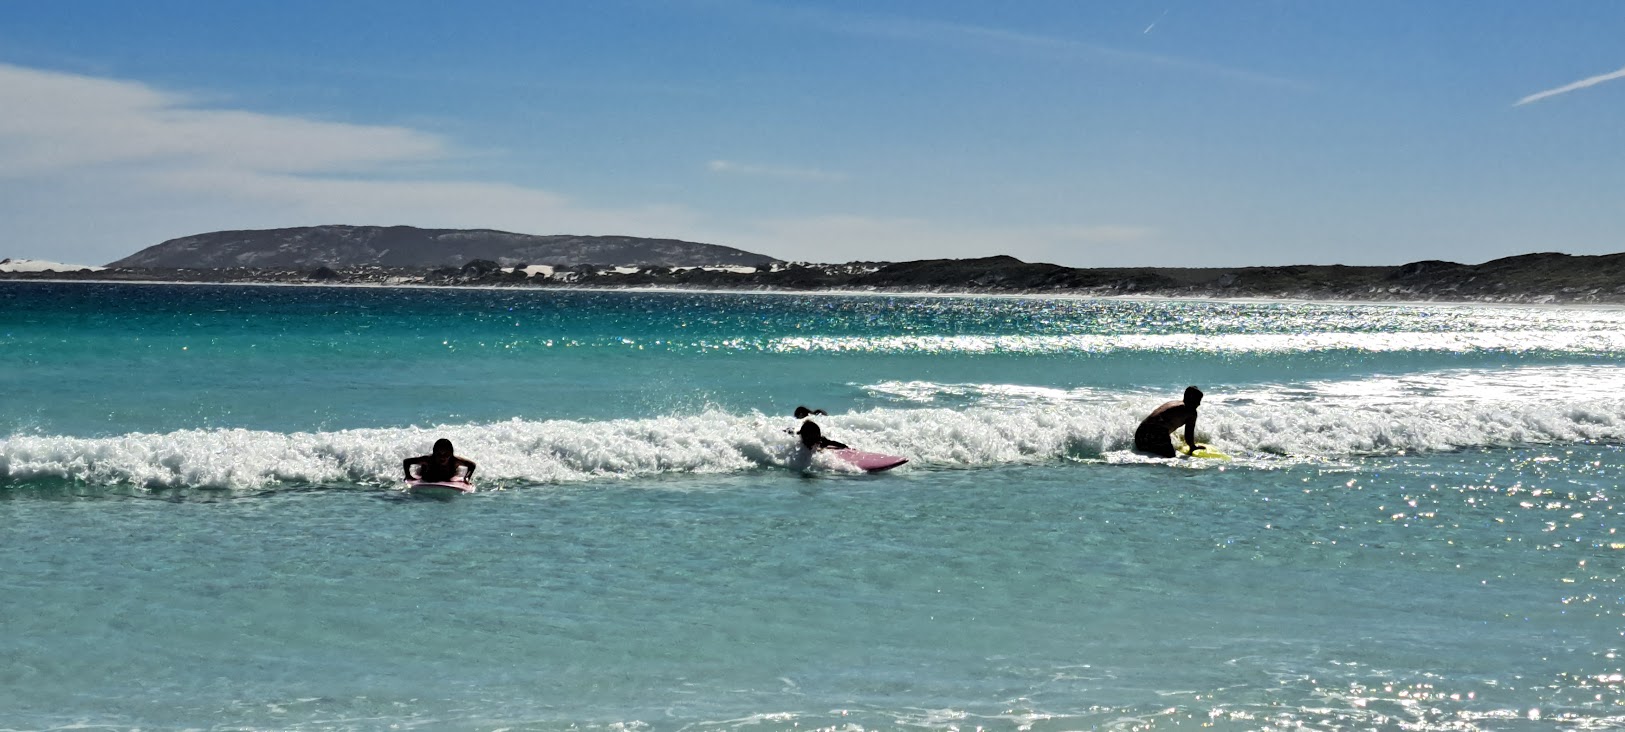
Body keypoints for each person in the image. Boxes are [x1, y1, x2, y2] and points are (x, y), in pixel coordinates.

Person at [1134, 386, 1204, 458]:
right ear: (1191, 399)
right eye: (1198, 400)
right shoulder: (1191, 412)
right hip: (1154, 435)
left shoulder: (1172, 403)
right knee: (1171, 458)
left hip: (1139, 436)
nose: (1199, 404)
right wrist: (1192, 447)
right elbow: (1188, 435)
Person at [403, 438, 477, 482]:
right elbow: (406, 462)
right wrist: (408, 476)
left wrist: (467, 477)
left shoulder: (455, 461)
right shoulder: (428, 460)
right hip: (428, 473)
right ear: (434, 453)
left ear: (451, 454)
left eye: (446, 454)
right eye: (439, 454)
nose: (442, 457)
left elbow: (472, 465)